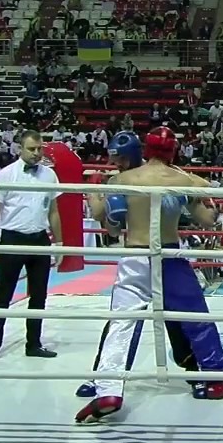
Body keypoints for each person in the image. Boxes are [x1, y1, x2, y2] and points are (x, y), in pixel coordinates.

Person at [76, 127, 223, 423]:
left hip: (135, 256)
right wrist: (216, 207)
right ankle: (216, 378)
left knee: (122, 323)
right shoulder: (184, 181)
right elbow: (206, 220)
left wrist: (92, 191)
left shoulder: (122, 180)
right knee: (195, 317)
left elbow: (107, 222)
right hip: (169, 255)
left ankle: (108, 390)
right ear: (173, 151)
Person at [0, 130, 62, 364]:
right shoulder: (5, 174)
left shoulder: (49, 175)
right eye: (32, 149)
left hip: (40, 240)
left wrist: (59, 242)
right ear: (20, 149)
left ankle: (34, 344)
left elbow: (54, 211)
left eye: (40, 148)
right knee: (3, 295)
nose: (37, 153)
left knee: (39, 296)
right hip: (12, 240)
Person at [75, 131, 144, 399]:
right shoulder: (120, 180)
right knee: (122, 321)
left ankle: (201, 373)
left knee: (182, 320)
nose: (117, 164)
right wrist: (97, 197)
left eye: (121, 159)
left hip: (166, 252)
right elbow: (112, 228)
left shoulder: (133, 178)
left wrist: (96, 195)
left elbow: (106, 222)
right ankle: (102, 376)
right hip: (139, 254)